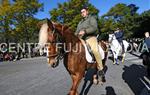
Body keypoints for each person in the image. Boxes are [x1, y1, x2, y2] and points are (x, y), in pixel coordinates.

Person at [75, 6, 105, 82]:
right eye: (81, 12)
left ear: (87, 12)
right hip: (81, 39)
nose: (82, 13)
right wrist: (74, 35)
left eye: (83, 12)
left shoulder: (92, 18)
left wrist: (85, 31)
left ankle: (101, 68)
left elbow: (95, 28)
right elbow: (77, 31)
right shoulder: (80, 22)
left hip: (90, 38)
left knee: (95, 50)